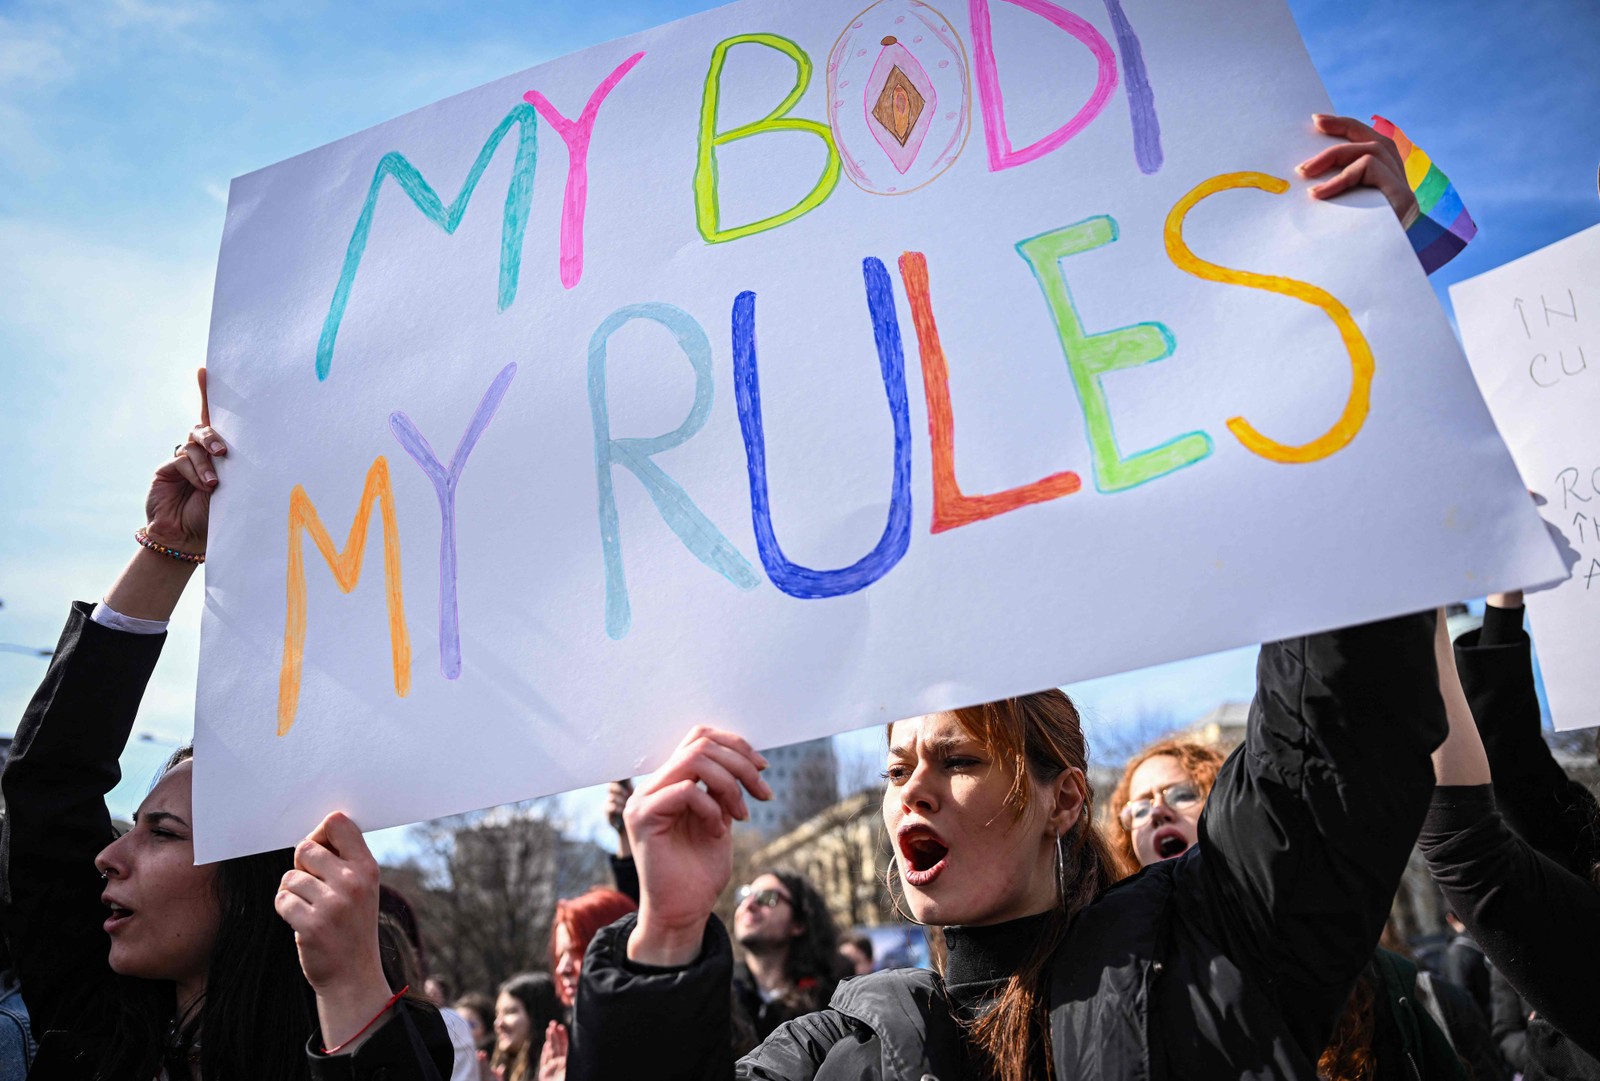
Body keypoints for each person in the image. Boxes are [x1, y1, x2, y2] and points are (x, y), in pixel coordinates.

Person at [0, 370, 453, 1079]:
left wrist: (349, 986)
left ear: (262, 881)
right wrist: (167, 544)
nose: (108, 855)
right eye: (137, 825)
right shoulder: (93, 1018)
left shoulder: (380, 1042)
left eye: (164, 832)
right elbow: (49, 781)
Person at [1108, 734, 1485, 1081]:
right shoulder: (1121, 990)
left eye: (1180, 794)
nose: (1157, 811)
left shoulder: (1369, 975)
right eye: (1138, 809)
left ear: (1229, 810)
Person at [1422, 590, 1600, 1077]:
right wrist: (1504, 606)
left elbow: (1468, 847)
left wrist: (1420, 616)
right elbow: (1512, 761)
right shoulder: (1582, 845)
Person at [729, 870, 841, 1040]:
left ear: (799, 923)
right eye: (744, 895)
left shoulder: (831, 1006)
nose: (748, 905)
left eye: (767, 897)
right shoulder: (717, 992)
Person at [491, 973, 562, 1081]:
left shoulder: (569, 1067)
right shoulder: (497, 1071)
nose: (498, 1023)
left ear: (537, 1015)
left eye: (510, 1012)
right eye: (497, 1014)